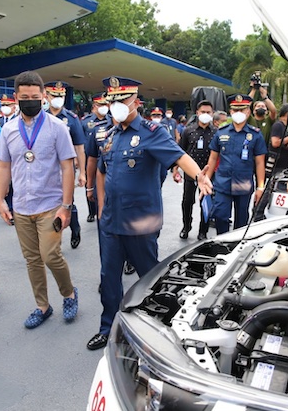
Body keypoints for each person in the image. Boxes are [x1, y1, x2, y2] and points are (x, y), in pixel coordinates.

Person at [86, 76, 213, 351]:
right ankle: (108, 328)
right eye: (113, 101)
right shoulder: (109, 135)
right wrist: (100, 207)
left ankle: (153, 327)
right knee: (109, 279)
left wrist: (199, 176)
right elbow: (102, 172)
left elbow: (179, 156)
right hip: (111, 222)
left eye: (123, 100)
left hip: (141, 222)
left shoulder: (151, 131)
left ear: (136, 102)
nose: (117, 105)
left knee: (148, 278)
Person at [0, 70, 78, 329]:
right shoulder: (8, 129)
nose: (30, 100)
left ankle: (69, 294)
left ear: (43, 96)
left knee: (51, 255)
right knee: (32, 260)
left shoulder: (58, 128)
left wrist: (66, 207)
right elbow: (4, 167)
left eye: (35, 96)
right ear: (16, 97)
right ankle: (42, 306)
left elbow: (68, 167)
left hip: (50, 206)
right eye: (24, 96)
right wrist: (0, 199)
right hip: (21, 206)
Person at [204, 94, 267, 234]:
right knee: (220, 216)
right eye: (235, 110)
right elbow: (213, 158)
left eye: (242, 110)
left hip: (243, 184)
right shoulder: (221, 132)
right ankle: (221, 244)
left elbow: (259, 162)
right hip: (222, 183)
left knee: (242, 221)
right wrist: (206, 180)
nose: (238, 113)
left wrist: (261, 187)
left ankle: (237, 249)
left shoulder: (255, 135)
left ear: (248, 111)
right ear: (230, 112)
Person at [44, 80, 86, 248]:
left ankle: (75, 229)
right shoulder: (40, 116)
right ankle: (54, 238)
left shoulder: (72, 118)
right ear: (47, 96)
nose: (58, 98)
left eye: (61, 95)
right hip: (45, 169)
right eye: (55, 95)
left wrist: (82, 172)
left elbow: (80, 147)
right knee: (48, 204)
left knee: (68, 202)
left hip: (65, 169)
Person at [174, 100, 216, 240]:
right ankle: (186, 226)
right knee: (187, 201)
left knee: (206, 202)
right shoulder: (188, 130)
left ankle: (203, 231)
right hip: (190, 173)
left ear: (212, 114)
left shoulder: (216, 133)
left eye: (208, 112)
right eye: (202, 112)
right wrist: (175, 170)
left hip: (208, 175)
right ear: (197, 113)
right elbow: (180, 152)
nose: (205, 114)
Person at [82, 92, 110, 223]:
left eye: (106, 104)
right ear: (95, 105)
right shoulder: (86, 122)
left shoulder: (112, 121)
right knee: (91, 187)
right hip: (90, 158)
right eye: (101, 104)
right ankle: (91, 211)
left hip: (107, 163)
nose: (104, 107)